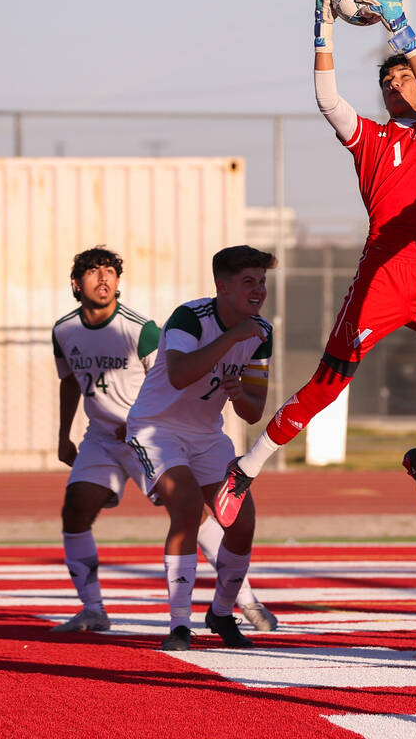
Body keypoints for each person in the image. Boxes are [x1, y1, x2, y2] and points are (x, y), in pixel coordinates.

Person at [215, 0, 416, 531]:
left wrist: (401, 28)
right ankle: (245, 469)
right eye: (389, 79)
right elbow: (326, 97)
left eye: (405, 77)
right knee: (327, 386)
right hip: (382, 282)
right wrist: (323, 26)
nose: (397, 83)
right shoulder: (370, 138)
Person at [51, 246, 276, 635]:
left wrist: (239, 391)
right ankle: (102, 610)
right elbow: (71, 380)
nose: (103, 279)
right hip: (124, 433)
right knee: (78, 508)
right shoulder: (64, 330)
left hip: (167, 431)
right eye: (93, 272)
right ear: (76, 283)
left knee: (216, 515)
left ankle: (240, 601)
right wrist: (63, 435)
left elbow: (189, 382)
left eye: (110, 271)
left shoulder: (141, 328)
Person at [125, 245, 277, 651]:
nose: (259, 289)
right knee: (188, 506)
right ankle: (178, 624)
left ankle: (222, 613)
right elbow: (177, 374)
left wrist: (239, 392)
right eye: (249, 282)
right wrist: (230, 339)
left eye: (262, 281)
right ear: (222, 287)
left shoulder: (261, 331)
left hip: (208, 435)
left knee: (242, 523)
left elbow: (252, 411)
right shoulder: (190, 316)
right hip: (156, 429)